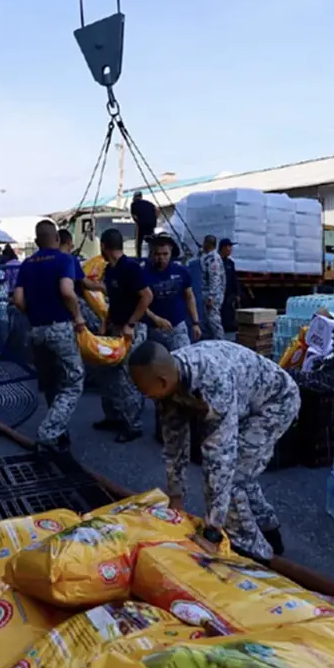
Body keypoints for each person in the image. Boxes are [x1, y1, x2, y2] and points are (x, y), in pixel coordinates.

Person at [128, 339, 300, 561]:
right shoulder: (170, 377)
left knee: (234, 477)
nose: (144, 396)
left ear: (162, 382)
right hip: (246, 401)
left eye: (145, 392)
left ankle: (256, 555)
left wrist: (212, 531)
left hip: (276, 403)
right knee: (240, 474)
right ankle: (269, 530)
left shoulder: (212, 382)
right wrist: (176, 498)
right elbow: (174, 445)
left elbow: (220, 461)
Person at [13, 220, 87, 453]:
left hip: (36, 330)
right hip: (60, 328)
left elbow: (18, 300)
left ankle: (59, 430)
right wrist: (77, 317)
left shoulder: (27, 264)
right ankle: (48, 433)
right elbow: (67, 291)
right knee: (73, 381)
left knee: (51, 382)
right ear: (57, 238)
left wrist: (33, 315)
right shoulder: (64, 260)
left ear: (36, 241)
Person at [94, 227, 154, 443]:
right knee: (108, 374)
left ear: (104, 246)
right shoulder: (110, 270)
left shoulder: (130, 268)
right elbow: (114, 300)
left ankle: (133, 424)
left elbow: (147, 296)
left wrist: (131, 323)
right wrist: (106, 322)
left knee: (126, 377)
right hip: (115, 328)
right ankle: (113, 416)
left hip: (131, 330)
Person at [144, 235, 201, 352]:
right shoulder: (143, 273)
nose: (161, 258)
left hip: (177, 328)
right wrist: (155, 318)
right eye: (157, 254)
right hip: (154, 329)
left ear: (171, 253)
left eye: (165, 254)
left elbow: (189, 297)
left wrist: (195, 323)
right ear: (151, 254)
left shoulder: (181, 271)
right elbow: (137, 302)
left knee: (182, 360)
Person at [199, 235, 226, 340]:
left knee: (214, 321)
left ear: (207, 243)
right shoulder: (209, 256)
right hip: (209, 294)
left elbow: (214, 278)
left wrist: (211, 296)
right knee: (207, 322)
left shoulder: (213, 258)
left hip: (212, 296)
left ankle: (221, 342)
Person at [130, 191, 158, 259]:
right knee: (152, 241)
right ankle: (153, 256)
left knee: (139, 242)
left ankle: (139, 257)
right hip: (151, 224)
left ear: (135, 197)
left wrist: (138, 222)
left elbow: (134, 216)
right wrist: (154, 219)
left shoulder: (134, 204)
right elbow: (157, 210)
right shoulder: (149, 203)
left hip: (142, 225)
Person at [219, 239, 239, 334]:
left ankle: (228, 327)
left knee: (228, 310)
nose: (230, 249)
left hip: (229, 293)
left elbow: (234, 279)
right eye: (228, 247)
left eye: (231, 247)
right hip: (218, 293)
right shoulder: (216, 262)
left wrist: (237, 293)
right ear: (223, 248)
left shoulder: (230, 263)